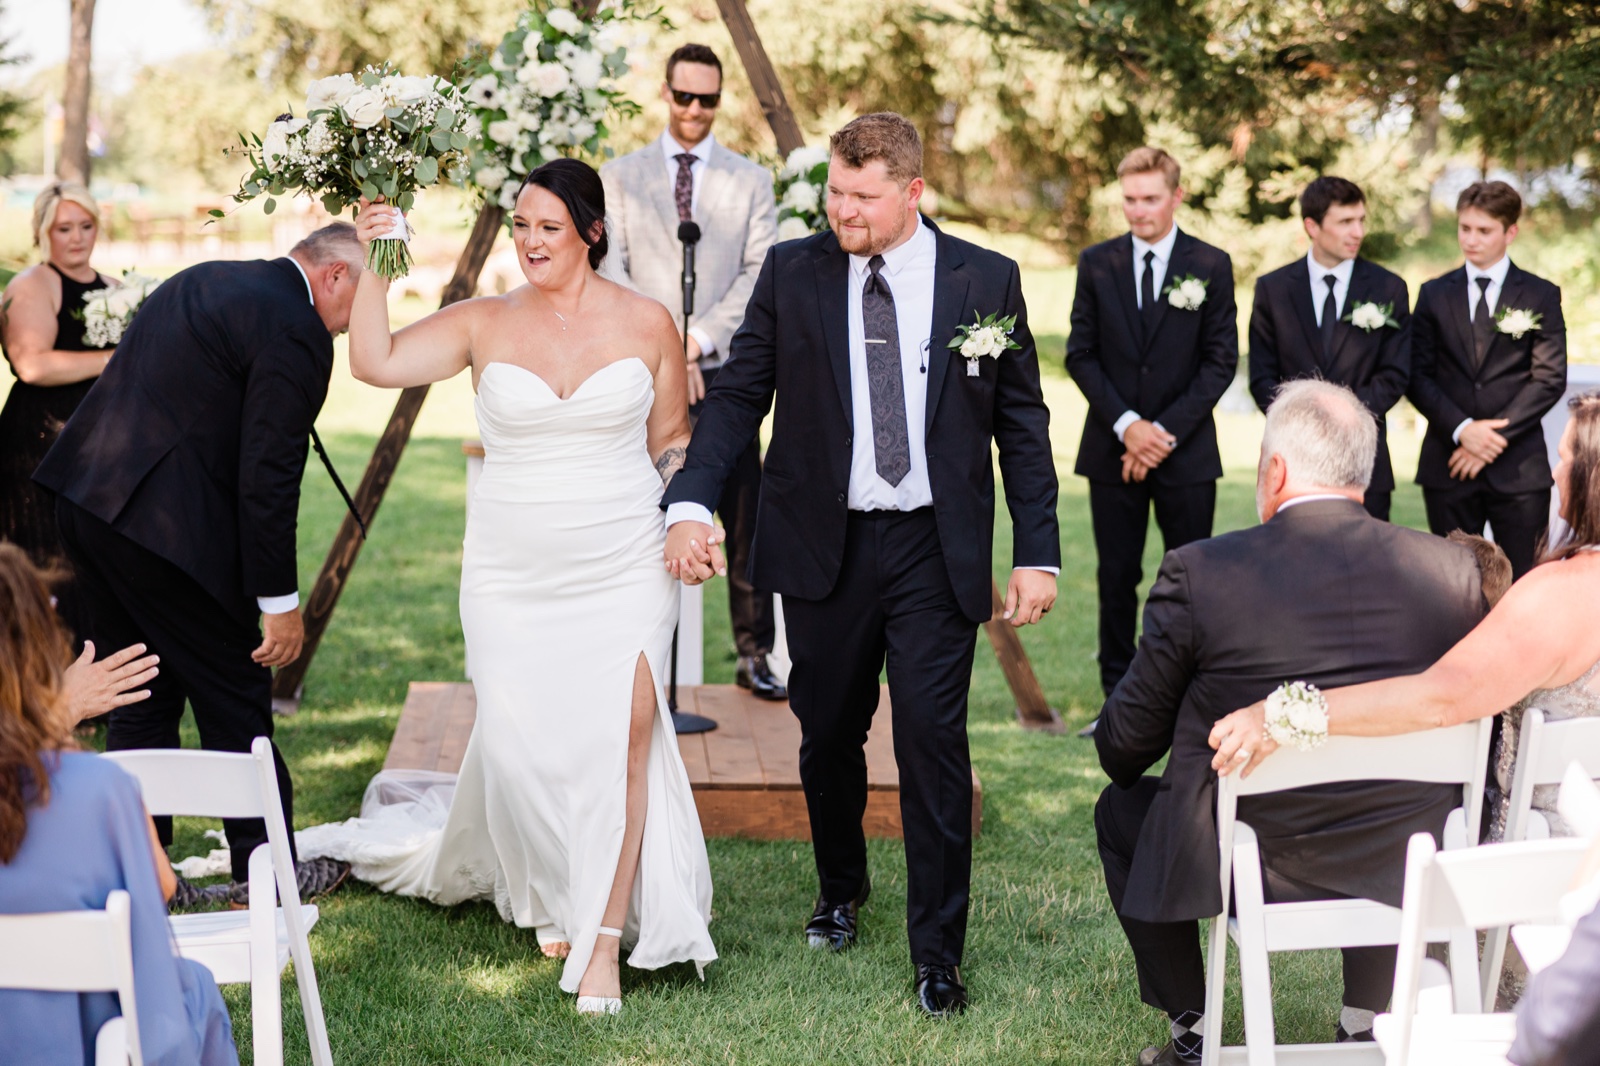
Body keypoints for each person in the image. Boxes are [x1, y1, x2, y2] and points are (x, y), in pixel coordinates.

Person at [661, 113, 1060, 1017]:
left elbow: (1022, 426)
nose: (843, 210)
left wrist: (1038, 553)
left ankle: (938, 954)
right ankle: (840, 891)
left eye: (864, 198)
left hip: (933, 545)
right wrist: (690, 496)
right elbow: (737, 399)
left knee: (931, 744)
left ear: (913, 193)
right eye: (836, 192)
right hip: (824, 543)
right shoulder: (793, 272)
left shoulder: (983, 279)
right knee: (828, 733)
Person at [301, 159, 716, 1015]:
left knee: (617, 748)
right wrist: (380, 254)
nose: (529, 241)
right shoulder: (482, 322)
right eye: (521, 225)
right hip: (509, 571)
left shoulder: (648, 323)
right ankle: (548, 884)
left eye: (548, 228)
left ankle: (601, 945)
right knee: (522, 751)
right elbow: (373, 361)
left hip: (622, 560)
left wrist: (692, 517)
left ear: (591, 233)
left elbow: (673, 439)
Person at [1097, 381, 1486, 1064]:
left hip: (1254, 859)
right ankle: (1366, 1017)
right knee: (1378, 807)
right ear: (1362, 472)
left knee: (1120, 807)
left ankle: (1194, 1027)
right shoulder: (1454, 570)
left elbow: (1126, 746)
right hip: (1410, 850)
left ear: (1274, 471)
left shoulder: (1202, 572)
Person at [32, 224, 361, 903]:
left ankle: (132, 871)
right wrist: (278, 603)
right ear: (334, 276)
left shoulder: (208, 277)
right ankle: (265, 873)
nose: (356, 327)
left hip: (86, 501)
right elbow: (267, 475)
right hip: (160, 530)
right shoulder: (296, 325)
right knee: (235, 687)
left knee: (134, 688)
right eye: (362, 302)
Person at [1212, 391, 1600, 824]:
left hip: (1542, 861)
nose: (1554, 471)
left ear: (1592, 478)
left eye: (1565, 458)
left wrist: (1281, 714)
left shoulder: (1559, 596)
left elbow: (1438, 699)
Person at [0, 543, 239, 1066]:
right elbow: (161, 888)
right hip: (86, 1039)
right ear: (37, 649)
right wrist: (55, 719)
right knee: (193, 988)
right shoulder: (100, 790)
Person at [600, 43, 785, 699]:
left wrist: (699, 342)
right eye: (685, 97)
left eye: (708, 100)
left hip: (726, 375)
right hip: (643, 380)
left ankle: (754, 653)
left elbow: (759, 273)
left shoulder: (751, 180)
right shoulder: (618, 176)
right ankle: (641, 656)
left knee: (745, 518)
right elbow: (611, 269)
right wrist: (666, 351)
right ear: (666, 91)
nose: (695, 111)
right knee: (644, 518)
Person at [1066, 147, 1238, 699]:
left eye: (1150, 199)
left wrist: (1159, 434)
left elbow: (1220, 362)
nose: (1138, 211)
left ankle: (1191, 695)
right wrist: (1127, 426)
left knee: (1193, 582)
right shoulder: (1097, 262)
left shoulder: (1211, 265)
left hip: (1185, 455)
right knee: (1116, 579)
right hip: (1111, 450)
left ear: (1176, 196)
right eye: (1130, 200)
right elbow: (1080, 354)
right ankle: (1115, 700)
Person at [1407, 180, 1567, 579]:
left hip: (1518, 468)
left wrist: (1489, 439)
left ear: (1510, 232)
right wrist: (1463, 430)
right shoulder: (1432, 294)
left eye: (1483, 230)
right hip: (1449, 462)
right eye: (1465, 228)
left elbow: (1549, 377)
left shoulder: (1540, 295)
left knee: (1525, 579)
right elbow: (1417, 375)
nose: (1471, 240)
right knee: (1452, 584)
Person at [1248, 176, 1411, 521]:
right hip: (1293, 462)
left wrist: (1346, 424)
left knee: (1367, 569)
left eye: (1361, 220)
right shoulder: (1273, 290)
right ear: (1313, 226)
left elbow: (1394, 375)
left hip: (1365, 463)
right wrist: (1305, 427)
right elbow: (1262, 377)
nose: (1358, 232)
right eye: (1345, 222)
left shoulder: (1389, 288)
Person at [0, 181, 117, 640]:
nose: (76, 237)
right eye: (63, 228)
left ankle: (98, 688)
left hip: (101, 443)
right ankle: (44, 691)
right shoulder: (33, 285)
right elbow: (32, 365)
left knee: (95, 560)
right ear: (43, 233)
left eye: (85, 226)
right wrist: (113, 359)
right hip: (40, 442)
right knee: (46, 561)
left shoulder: (116, 287)